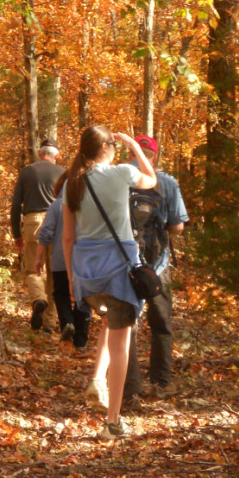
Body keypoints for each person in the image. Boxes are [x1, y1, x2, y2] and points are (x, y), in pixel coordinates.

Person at [62, 126, 156, 439]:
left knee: (107, 325)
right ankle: (113, 421)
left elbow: (69, 236)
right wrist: (135, 146)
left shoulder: (73, 182)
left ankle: (97, 380)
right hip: (119, 272)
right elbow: (151, 180)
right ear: (108, 148)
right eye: (115, 145)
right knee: (121, 346)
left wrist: (74, 281)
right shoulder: (121, 174)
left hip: (88, 276)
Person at [124, 135, 189, 401]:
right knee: (161, 321)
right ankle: (161, 379)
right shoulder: (168, 183)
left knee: (128, 322)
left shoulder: (120, 178)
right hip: (158, 263)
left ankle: (130, 386)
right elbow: (177, 225)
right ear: (155, 156)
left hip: (126, 260)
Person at [10, 138, 65, 332]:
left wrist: (16, 233)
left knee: (33, 270)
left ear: (40, 153)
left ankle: (38, 299)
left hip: (33, 222)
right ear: (56, 155)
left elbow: (16, 205)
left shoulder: (27, 171)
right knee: (54, 273)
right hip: (59, 223)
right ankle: (49, 323)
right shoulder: (63, 173)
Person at [34, 184, 91, 349]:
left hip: (60, 259)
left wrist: (38, 258)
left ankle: (67, 322)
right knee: (84, 297)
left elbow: (45, 232)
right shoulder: (90, 206)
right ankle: (80, 342)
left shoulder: (56, 205)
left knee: (61, 294)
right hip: (85, 260)